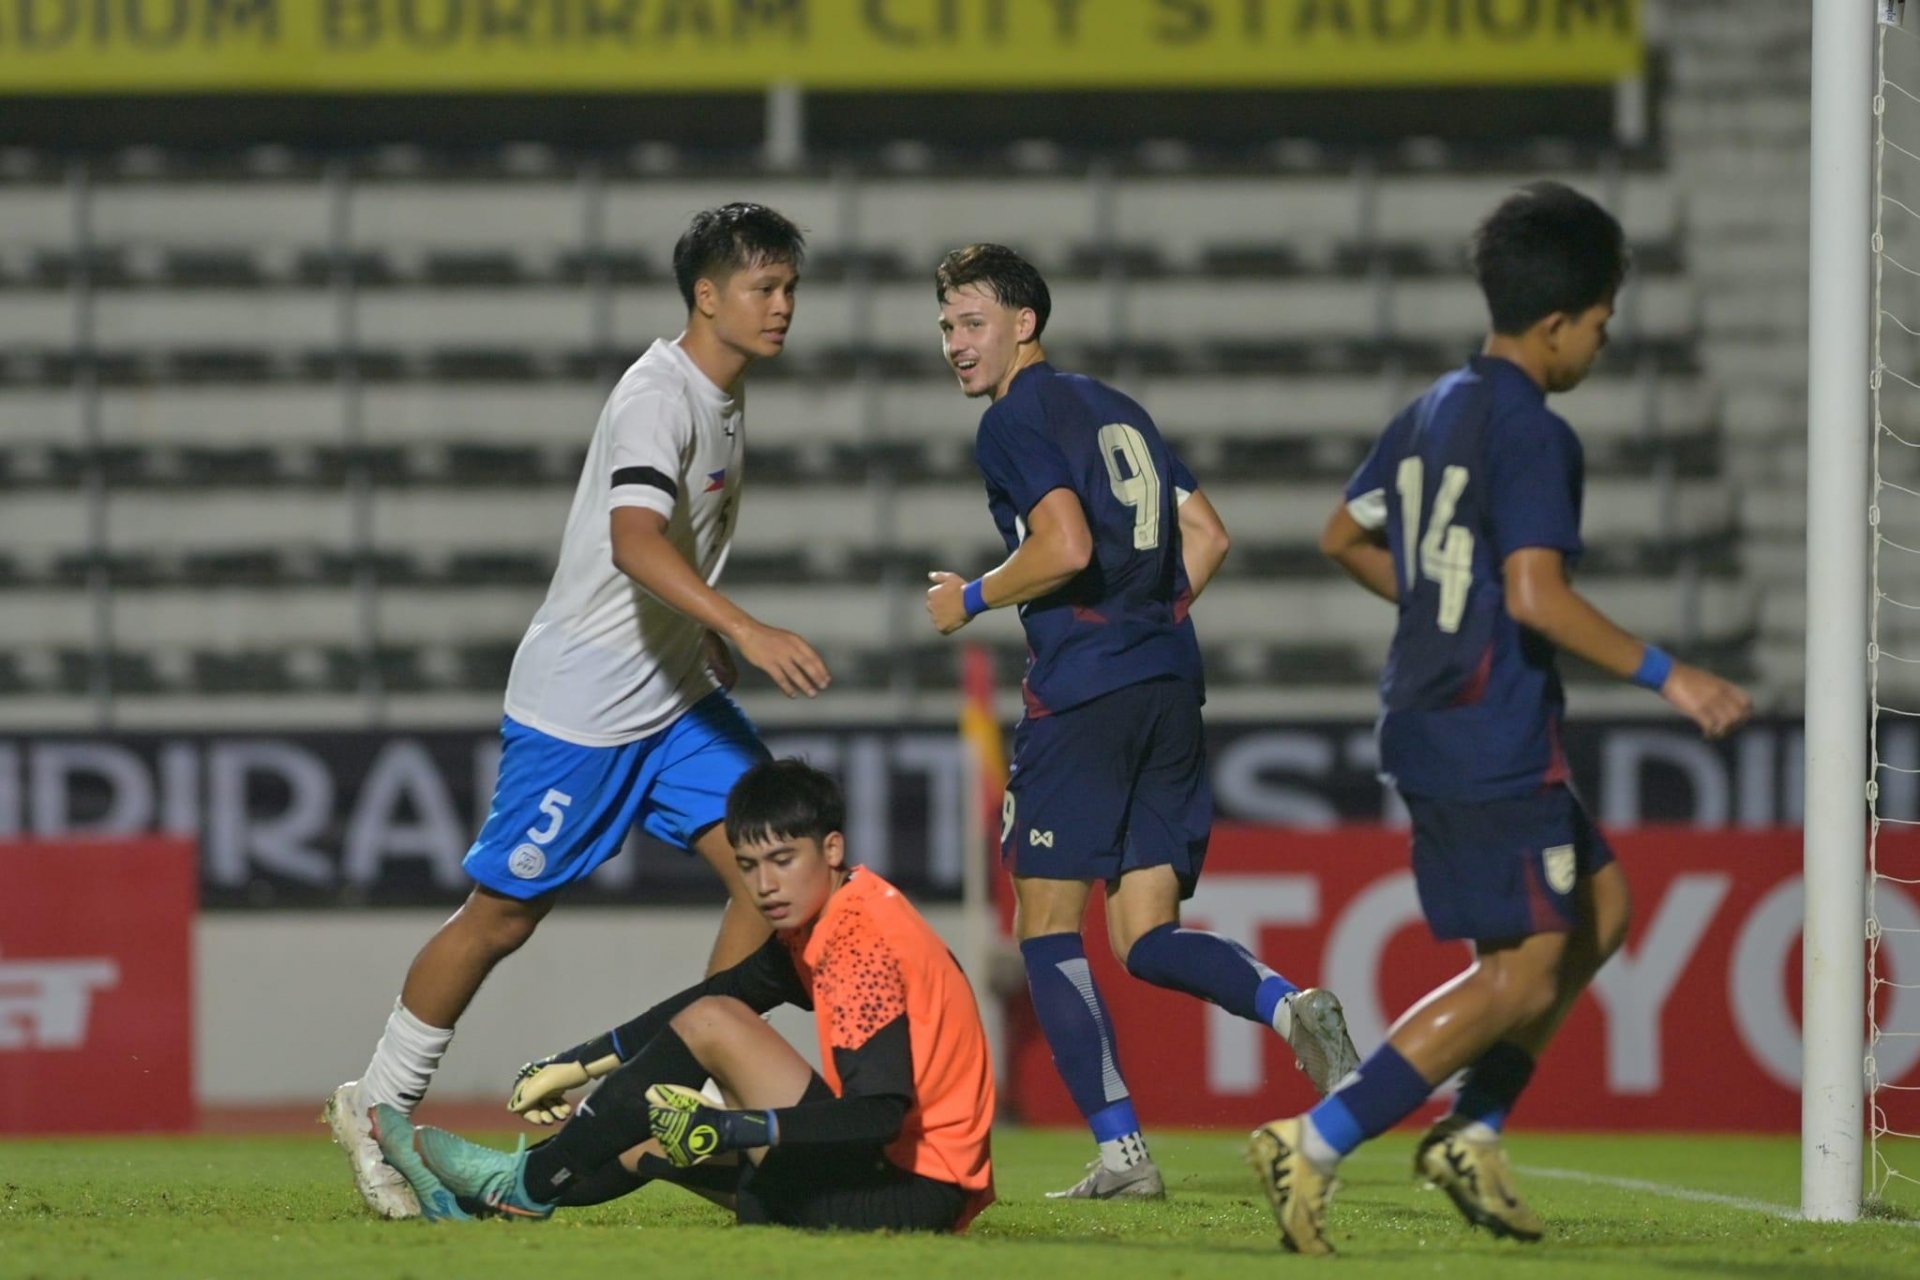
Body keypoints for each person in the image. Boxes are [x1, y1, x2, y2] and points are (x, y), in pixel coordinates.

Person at [1251, 181, 1753, 1255]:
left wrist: (1438, 604)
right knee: (1518, 971)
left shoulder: (1434, 407)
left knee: (1604, 908)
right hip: (1485, 720)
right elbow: (1535, 594)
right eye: (1603, 327)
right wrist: (1674, 675)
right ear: (1562, 321)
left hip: (1443, 709)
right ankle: (1319, 1136)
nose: (1601, 347)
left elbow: (1342, 533)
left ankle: (1472, 1128)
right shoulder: (1534, 429)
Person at [325, 203, 834, 1219]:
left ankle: (697, 1083)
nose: (782, 306)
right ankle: (375, 1103)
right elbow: (635, 540)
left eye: (789, 287)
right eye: (762, 288)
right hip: (584, 708)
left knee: (773, 867)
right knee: (502, 915)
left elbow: (668, 552)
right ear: (706, 295)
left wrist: (707, 639)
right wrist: (747, 622)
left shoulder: (721, 393)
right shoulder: (661, 397)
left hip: (676, 696)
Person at [924, 243, 1360, 1201]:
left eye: (973, 322)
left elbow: (1064, 543)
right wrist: (1151, 627)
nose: (955, 344)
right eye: (947, 326)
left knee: (1045, 924)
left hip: (1085, 694)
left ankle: (1123, 1156)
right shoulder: (1120, 409)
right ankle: (1290, 1008)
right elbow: (1209, 535)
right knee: (1147, 934)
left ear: (1025, 323)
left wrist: (975, 595)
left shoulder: (1013, 420)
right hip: (1169, 685)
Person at [368, 758, 996, 1235]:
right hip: (880, 1177)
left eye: (783, 859)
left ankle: (522, 1183)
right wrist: (581, 1061)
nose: (766, 885)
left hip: (907, 1197)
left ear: (832, 848)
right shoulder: (831, 914)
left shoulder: (859, 942)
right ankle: (475, 1203)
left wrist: (726, 1127)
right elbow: (721, 991)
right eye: (749, 867)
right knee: (639, 1132)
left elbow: (878, 1114)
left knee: (715, 1026)